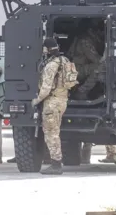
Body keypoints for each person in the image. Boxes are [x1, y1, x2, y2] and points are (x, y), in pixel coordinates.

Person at [31, 38, 77, 175]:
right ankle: (55, 162)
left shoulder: (51, 66)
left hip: (51, 102)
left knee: (51, 133)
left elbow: (45, 88)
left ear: (46, 50)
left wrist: (36, 101)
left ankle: (56, 164)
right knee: (55, 131)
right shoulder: (65, 61)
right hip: (62, 100)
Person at [67, 19, 104, 100]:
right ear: (90, 30)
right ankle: (81, 92)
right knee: (99, 67)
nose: (99, 33)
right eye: (97, 30)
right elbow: (96, 59)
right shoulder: (85, 41)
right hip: (76, 69)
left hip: (76, 68)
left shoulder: (86, 39)